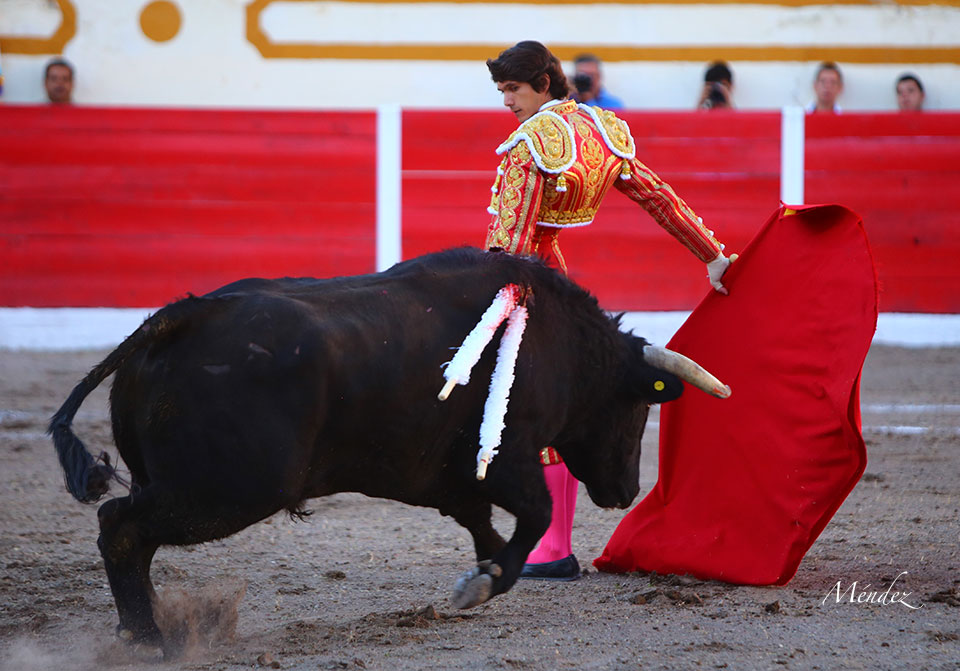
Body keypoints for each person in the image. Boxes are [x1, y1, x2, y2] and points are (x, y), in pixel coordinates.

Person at [484, 40, 732, 581]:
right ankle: (552, 543)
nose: (506, 101)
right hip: (560, 286)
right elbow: (657, 196)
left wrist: (495, 307)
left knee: (531, 404)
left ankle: (550, 547)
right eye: (501, 91)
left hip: (527, 289)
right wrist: (712, 255)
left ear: (543, 84)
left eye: (513, 89)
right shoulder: (602, 129)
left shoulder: (531, 144)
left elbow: (513, 249)